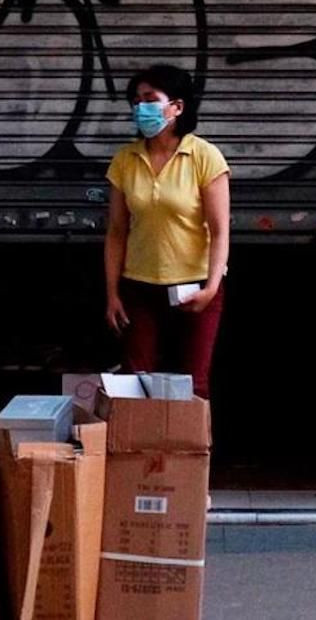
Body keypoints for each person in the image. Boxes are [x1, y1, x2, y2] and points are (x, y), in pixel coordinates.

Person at [104, 64, 231, 399]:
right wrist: (112, 293)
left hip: (195, 286)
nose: (140, 107)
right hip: (140, 287)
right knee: (136, 382)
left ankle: (190, 452)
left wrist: (211, 287)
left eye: (150, 98)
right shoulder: (125, 160)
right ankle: (140, 452)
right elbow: (117, 231)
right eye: (136, 100)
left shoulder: (205, 157)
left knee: (194, 385)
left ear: (177, 106)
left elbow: (220, 232)